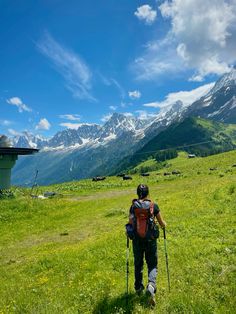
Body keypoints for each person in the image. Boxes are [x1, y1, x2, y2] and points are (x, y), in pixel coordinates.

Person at [126, 184, 166, 306]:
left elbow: (131, 222)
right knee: (152, 264)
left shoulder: (133, 206)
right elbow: (161, 223)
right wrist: (164, 225)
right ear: (148, 193)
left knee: (138, 264)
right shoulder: (153, 206)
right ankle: (151, 285)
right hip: (150, 240)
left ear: (137, 193)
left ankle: (138, 288)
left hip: (137, 240)